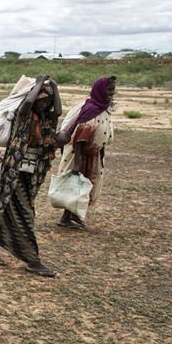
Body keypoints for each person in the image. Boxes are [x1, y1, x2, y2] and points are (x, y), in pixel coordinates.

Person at [0, 77, 66, 276]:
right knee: (25, 215)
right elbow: (27, 103)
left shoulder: (46, 120)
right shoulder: (23, 118)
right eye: (42, 100)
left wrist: (53, 87)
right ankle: (33, 261)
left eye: (47, 101)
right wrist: (38, 84)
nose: (44, 104)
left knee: (14, 211)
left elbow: (59, 111)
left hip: (32, 174)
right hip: (16, 173)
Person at [56, 76, 117, 230]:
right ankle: (66, 218)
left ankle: (72, 216)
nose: (111, 93)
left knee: (83, 185)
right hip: (81, 155)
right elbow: (80, 137)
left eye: (113, 90)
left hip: (91, 154)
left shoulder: (102, 107)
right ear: (100, 90)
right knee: (76, 185)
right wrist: (76, 164)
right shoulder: (91, 109)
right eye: (109, 90)